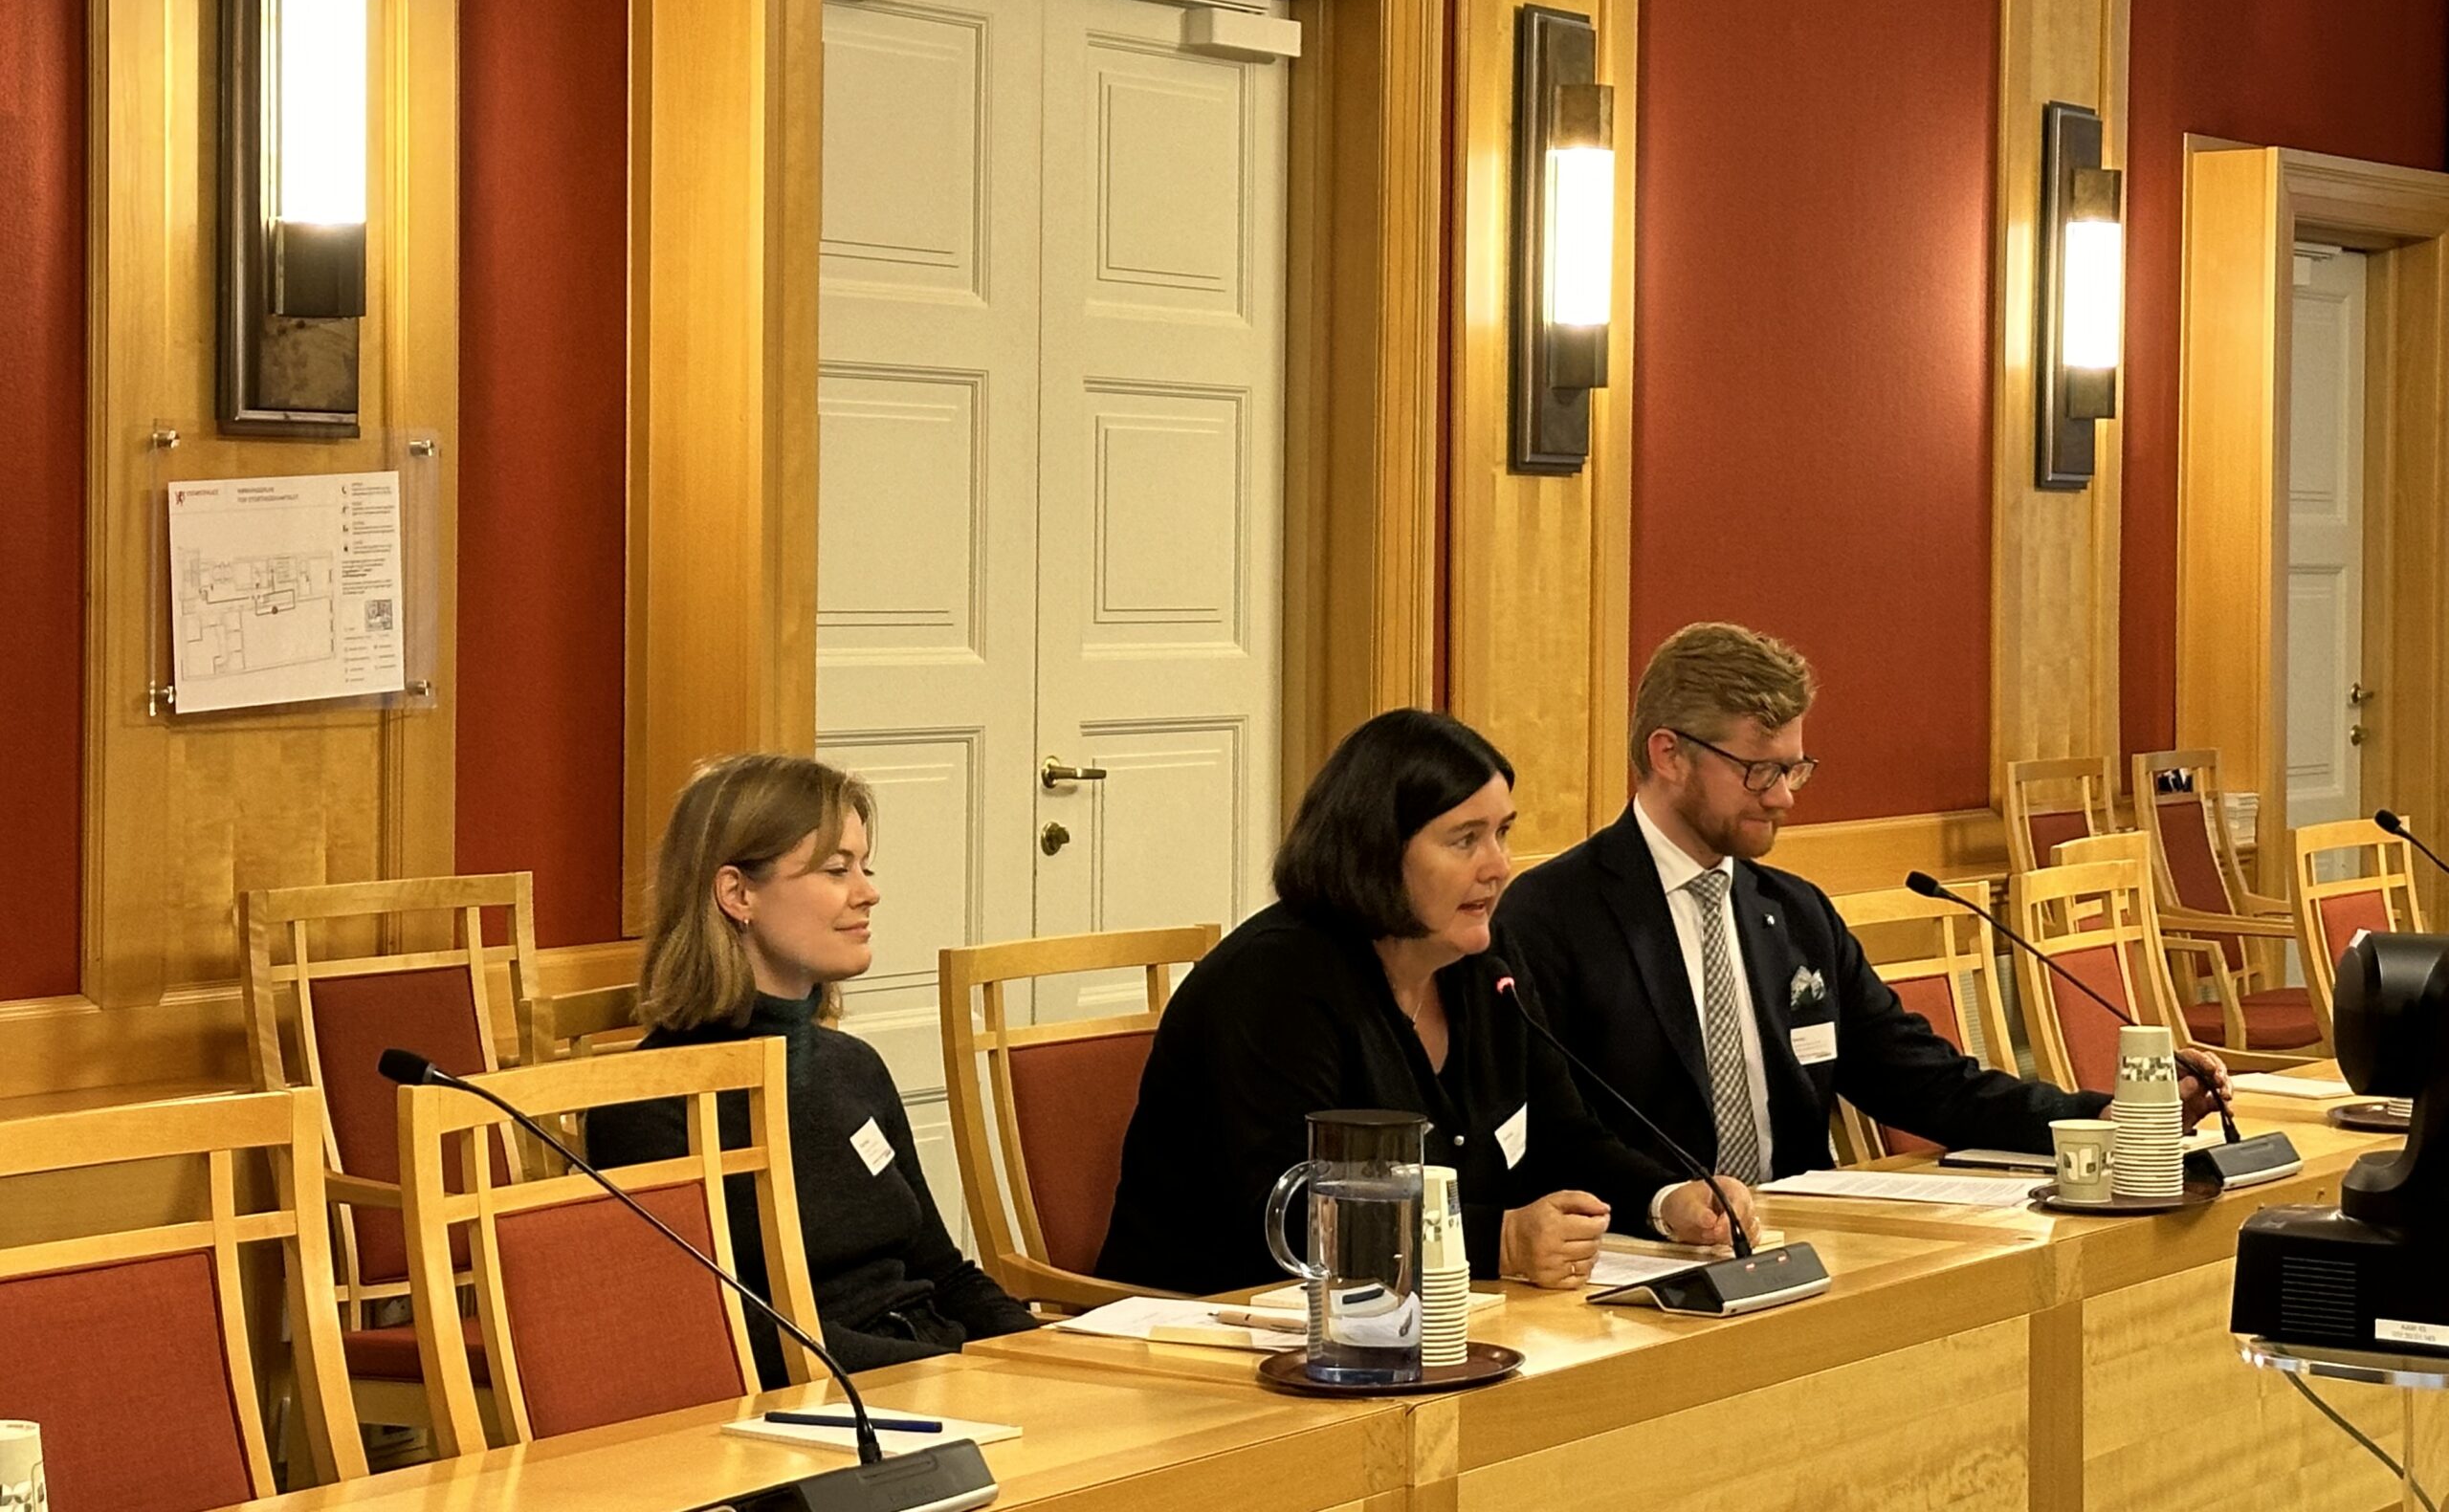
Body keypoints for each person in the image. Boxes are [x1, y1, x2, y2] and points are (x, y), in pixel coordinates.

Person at [1495, 622, 2231, 1218]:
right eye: (1760, 770)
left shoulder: (1794, 912)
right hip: (1637, 1259)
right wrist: (1664, 1202)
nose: (1784, 797)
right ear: (1669, 755)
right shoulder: (1553, 917)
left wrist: (2100, 1118)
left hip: (1802, 1243)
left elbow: (1921, 1080)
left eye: (1796, 768)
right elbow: (1555, 1132)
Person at [1096, 709, 1754, 1299]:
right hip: (1221, 1329)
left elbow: (1565, 1138)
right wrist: (1494, 1242)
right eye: (1465, 840)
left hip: (1425, 1322)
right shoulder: (1274, 984)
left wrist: (1670, 1201)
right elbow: (1293, 1213)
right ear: (1377, 851)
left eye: (1502, 833)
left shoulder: (1483, 968)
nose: (1497, 865)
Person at [586, 754, 1037, 1376]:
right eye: (836, 869)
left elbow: (944, 1271)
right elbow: (735, 1333)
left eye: (865, 866)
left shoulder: (853, 1067)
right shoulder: (652, 1105)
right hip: (824, 1405)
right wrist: (952, 1371)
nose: (869, 892)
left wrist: (1048, 1351)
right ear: (738, 892)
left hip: (932, 1368)